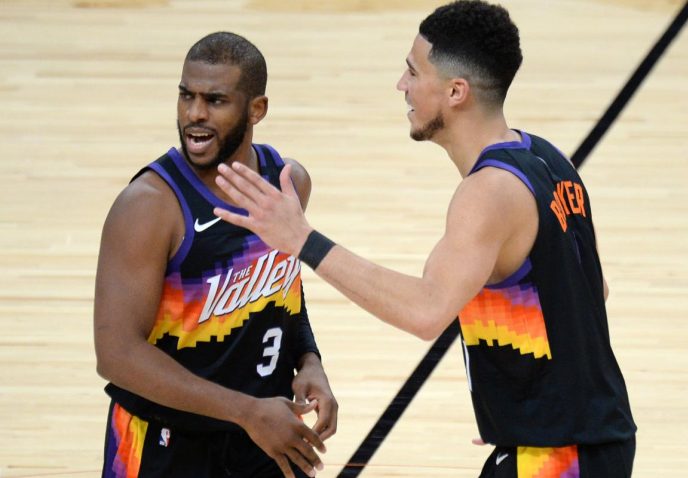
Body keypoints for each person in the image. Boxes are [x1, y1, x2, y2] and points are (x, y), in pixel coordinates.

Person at [211, 1, 637, 477]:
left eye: (413, 72)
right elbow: (591, 290)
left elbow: (424, 311)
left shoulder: (487, 192)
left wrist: (302, 240)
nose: (402, 85)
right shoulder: (547, 157)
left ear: (456, 91)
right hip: (588, 439)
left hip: (559, 456)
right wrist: (523, 396)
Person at [93, 32, 337, 478]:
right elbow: (116, 354)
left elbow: (283, 294)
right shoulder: (149, 205)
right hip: (165, 444)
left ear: (256, 109)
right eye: (186, 96)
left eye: (215, 100)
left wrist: (310, 361)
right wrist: (245, 411)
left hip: (264, 435)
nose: (194, 115)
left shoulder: (287, 183)